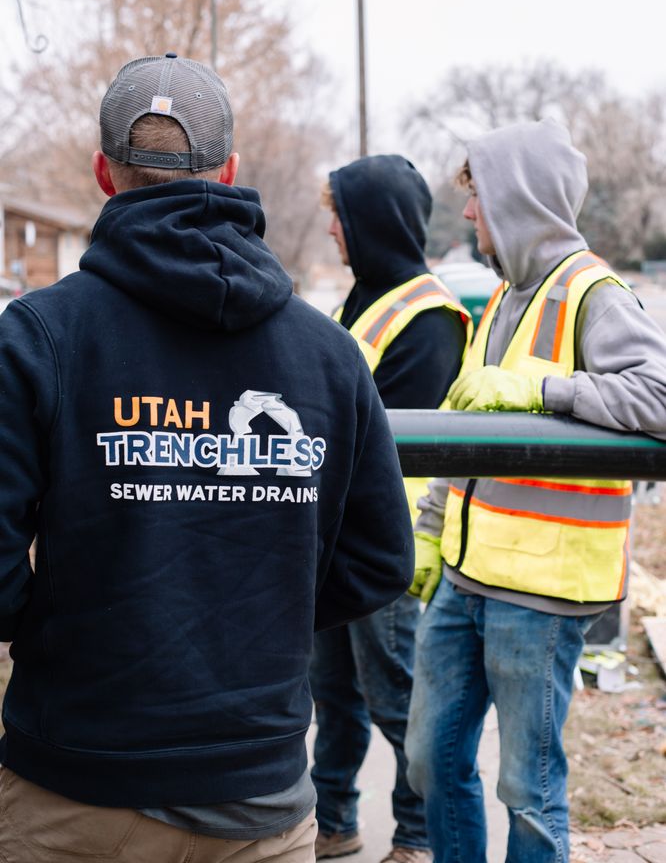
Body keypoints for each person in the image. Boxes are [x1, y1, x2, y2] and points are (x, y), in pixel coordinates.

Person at [0, 53, 416, 863]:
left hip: (69, 793)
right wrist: (258, 623)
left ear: (102, 174)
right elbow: (379, 561)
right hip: (255, 799)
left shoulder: (36, 338)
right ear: (228, 171)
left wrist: (64, 623)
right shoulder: (326, 354)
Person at [405, 118, 666, 863]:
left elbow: (660, 397)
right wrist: (430, 524)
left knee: (529, 789)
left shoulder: (592, 292)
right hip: (466, 577)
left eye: (476, 196)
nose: (467, 213)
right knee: (430, 761)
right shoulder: (510, 298)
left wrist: (544, 390)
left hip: (541, 591)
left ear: (516, 199)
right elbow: (468, 427)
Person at [311, 154, 472, 863]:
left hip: (387, 544)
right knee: (335, 696)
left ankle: (415, 835)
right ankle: (334, 821)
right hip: (340, 537)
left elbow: (381, 437)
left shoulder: (429, 316)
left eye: (340, 216)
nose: (332, 232)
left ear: (372, 223)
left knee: (397, 699)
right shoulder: (368, 299)